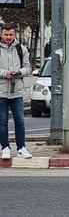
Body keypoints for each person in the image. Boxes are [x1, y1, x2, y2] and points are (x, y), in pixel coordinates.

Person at [0, 23, 32, 159]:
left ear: (15, 34)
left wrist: (20, 72)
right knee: (2, 121)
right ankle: (5, 147)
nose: (9, 37)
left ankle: (21, 147)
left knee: (20, 120)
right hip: (1, 91)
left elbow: (28, 67)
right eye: (6, 34)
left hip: (17, 91)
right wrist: (4, 73)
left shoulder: (21, 49)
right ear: (1, 34)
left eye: (11, 34)